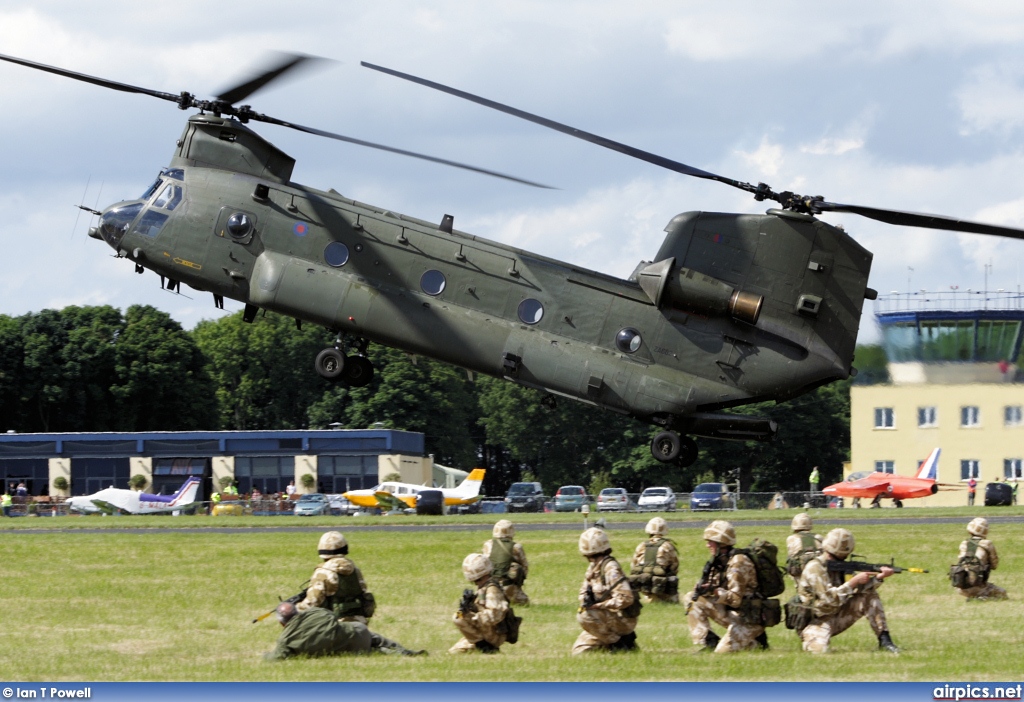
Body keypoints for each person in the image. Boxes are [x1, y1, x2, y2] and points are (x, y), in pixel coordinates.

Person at [795, 528, 899, 654]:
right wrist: (853, 581)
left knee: (870, 596)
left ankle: (885, 641)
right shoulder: (815, 568)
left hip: (837, 615)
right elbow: (829, 600)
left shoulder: (840, 566)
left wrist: (878, 578)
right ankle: (810, 638)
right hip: (815, 621)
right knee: (818, 651)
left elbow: (858, 590)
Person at [682, 520, 766, 653]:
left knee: (721, 653)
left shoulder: (738, 562)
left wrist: (715, 591)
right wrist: (704, 588)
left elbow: (736, 599)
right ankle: (710, 641)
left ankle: (757, 643)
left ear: (721, 543)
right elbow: (714, 586)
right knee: (692, 599)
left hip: (748, 619)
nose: (707, 545)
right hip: (733, 614)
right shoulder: (720, 561)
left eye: (711, 541)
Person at [264, 601, 423, 660]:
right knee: (377, 640)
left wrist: (265, 656)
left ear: (281, 623)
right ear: (296, 612)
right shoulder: (314, 613)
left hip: (346, 650)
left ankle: (398, 655)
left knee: (376, 652)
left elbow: (276, 657)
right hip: (357, 632)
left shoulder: (286, 639)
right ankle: (407, 652)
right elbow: (331, 614)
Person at [573, 526, 640, 654]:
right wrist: (586, 601)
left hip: (622, 619)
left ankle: (621, 644)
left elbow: (626, 598)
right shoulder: (593, 568)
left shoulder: (611, 569)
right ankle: (610, 643)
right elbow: (583, 591)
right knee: (580, 651)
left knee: (584, 616)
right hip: (605, 619)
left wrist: (600, 605)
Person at [296, 531, 375, 624]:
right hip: (360, 625)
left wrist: (295, 608)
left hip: (335, 627)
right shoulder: (355, 570)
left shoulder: (323, 572)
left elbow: (313, 602)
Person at [450, 553, 510, 654]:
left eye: (478, 580)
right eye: (474, 582)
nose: (477, 584)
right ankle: (482, 645)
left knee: (457, 617)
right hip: (485, 630)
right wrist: (467, 609)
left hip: (494, 633)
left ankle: (487, 648)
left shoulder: (492, 589)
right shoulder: (484, 587)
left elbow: (495, 615)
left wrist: (472, 617)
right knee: (454, 652)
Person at [952, 518, 1007, 600]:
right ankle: (982, 598)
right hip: (978, 585)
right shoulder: (987, 544)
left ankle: (973, 597)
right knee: (1002, 594)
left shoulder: (964, 543)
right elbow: (994, 565)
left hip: (960, 586)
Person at [629, 517, 680, 604]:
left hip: (644, 585)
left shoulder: (641, 545)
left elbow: (633, 566)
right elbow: (675, 565)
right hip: (662, 585)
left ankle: (650, 597)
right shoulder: (668, 546)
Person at [482, 519, 530, 605]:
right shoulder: (517, 547)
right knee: (524, 602)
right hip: (509, 588)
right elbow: (525, 569)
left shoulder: (488, 545)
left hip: (489, 587)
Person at [786, 513, 823, 583]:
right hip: (818, 566)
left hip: (800, 568)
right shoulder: (819, 537)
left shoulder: (791, 539)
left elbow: (791, 556)